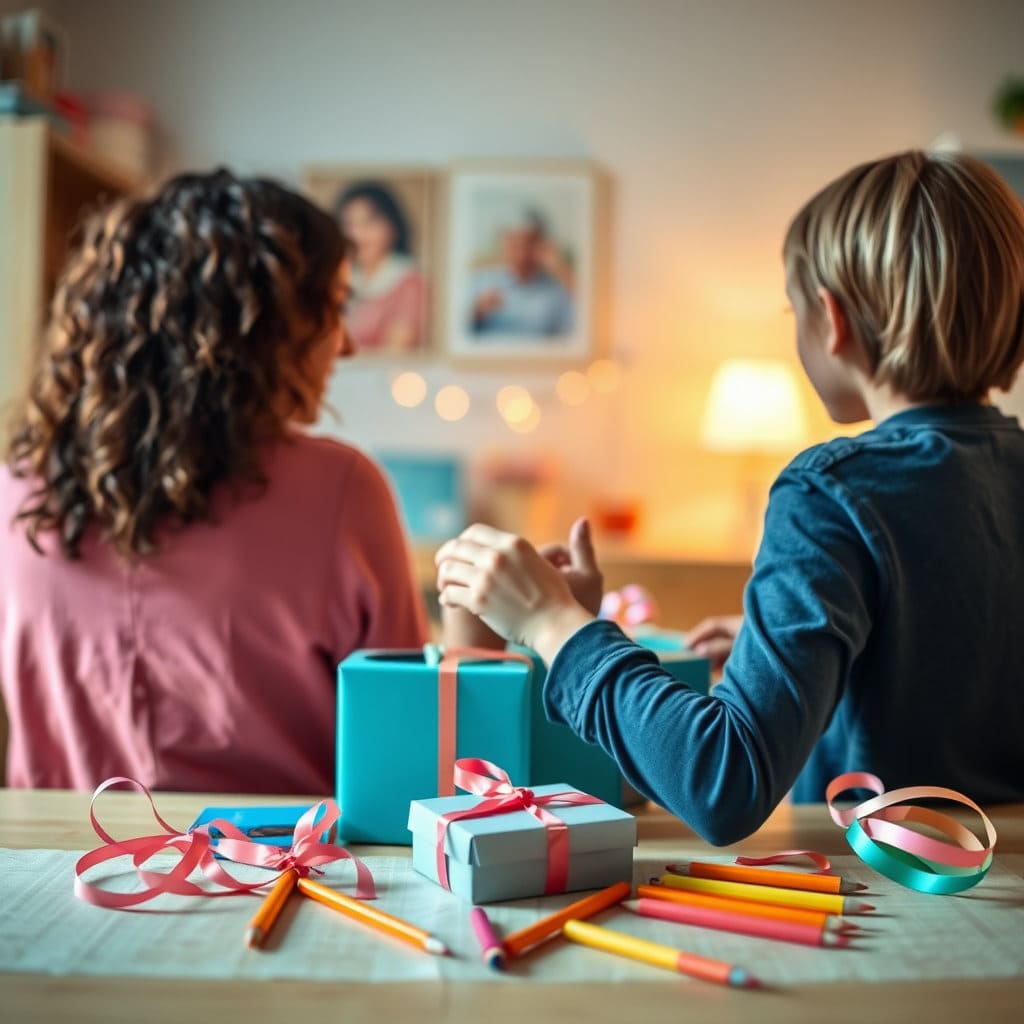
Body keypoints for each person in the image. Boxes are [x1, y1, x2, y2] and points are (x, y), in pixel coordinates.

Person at [436, 150, 1024, 845]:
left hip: (896, 918)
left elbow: (724, 784)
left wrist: (552, 624)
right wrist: (805, 647)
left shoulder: (829, 491)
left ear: (830, 321)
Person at [0, 169, 429, 794]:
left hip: (51, 871)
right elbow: (404, 752)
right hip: (284, 876)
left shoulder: (18, 486)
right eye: (333, 308)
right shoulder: (344, 490)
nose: (346, 348)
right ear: (264, 325)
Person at [335, 181, 427, 353]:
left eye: (369, 222)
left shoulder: (409, 282)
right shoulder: (342, 280)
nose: (358, 234)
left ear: (393, 227)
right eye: (349, 224)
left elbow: (397, 350)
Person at [468, 208, 575, 337]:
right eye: (513, 242)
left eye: (527, 242)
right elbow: (459, 334)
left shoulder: (556, 290)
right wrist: (476, 312)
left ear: (540, 246)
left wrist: (559, 268)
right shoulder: (478, 281)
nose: (520, 252)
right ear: (503, 243)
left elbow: (572, 337)